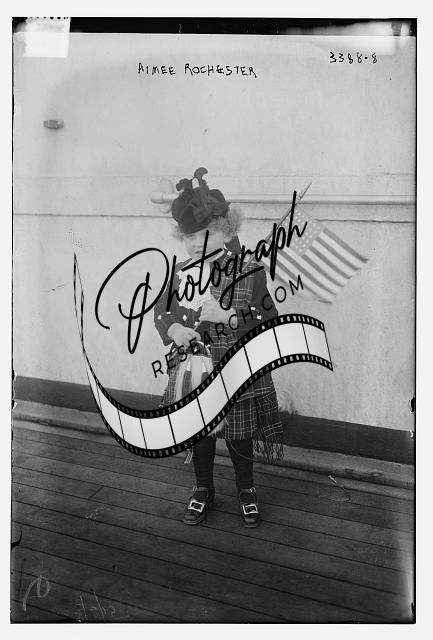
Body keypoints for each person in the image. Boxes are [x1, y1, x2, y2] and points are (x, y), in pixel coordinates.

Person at [154, 167, 283, 528]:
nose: (197, 243)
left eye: (206, 234)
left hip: (237, 367)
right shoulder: (179, 273)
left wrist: (230, 316)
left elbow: (269, 316)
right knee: (201, 431)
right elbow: (160, 312)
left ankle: (246, 489)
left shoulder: (250, 269)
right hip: (196, 369)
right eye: (190, 236)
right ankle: (203, 488)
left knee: (239, 432)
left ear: (226, 231)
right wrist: (175, 328)